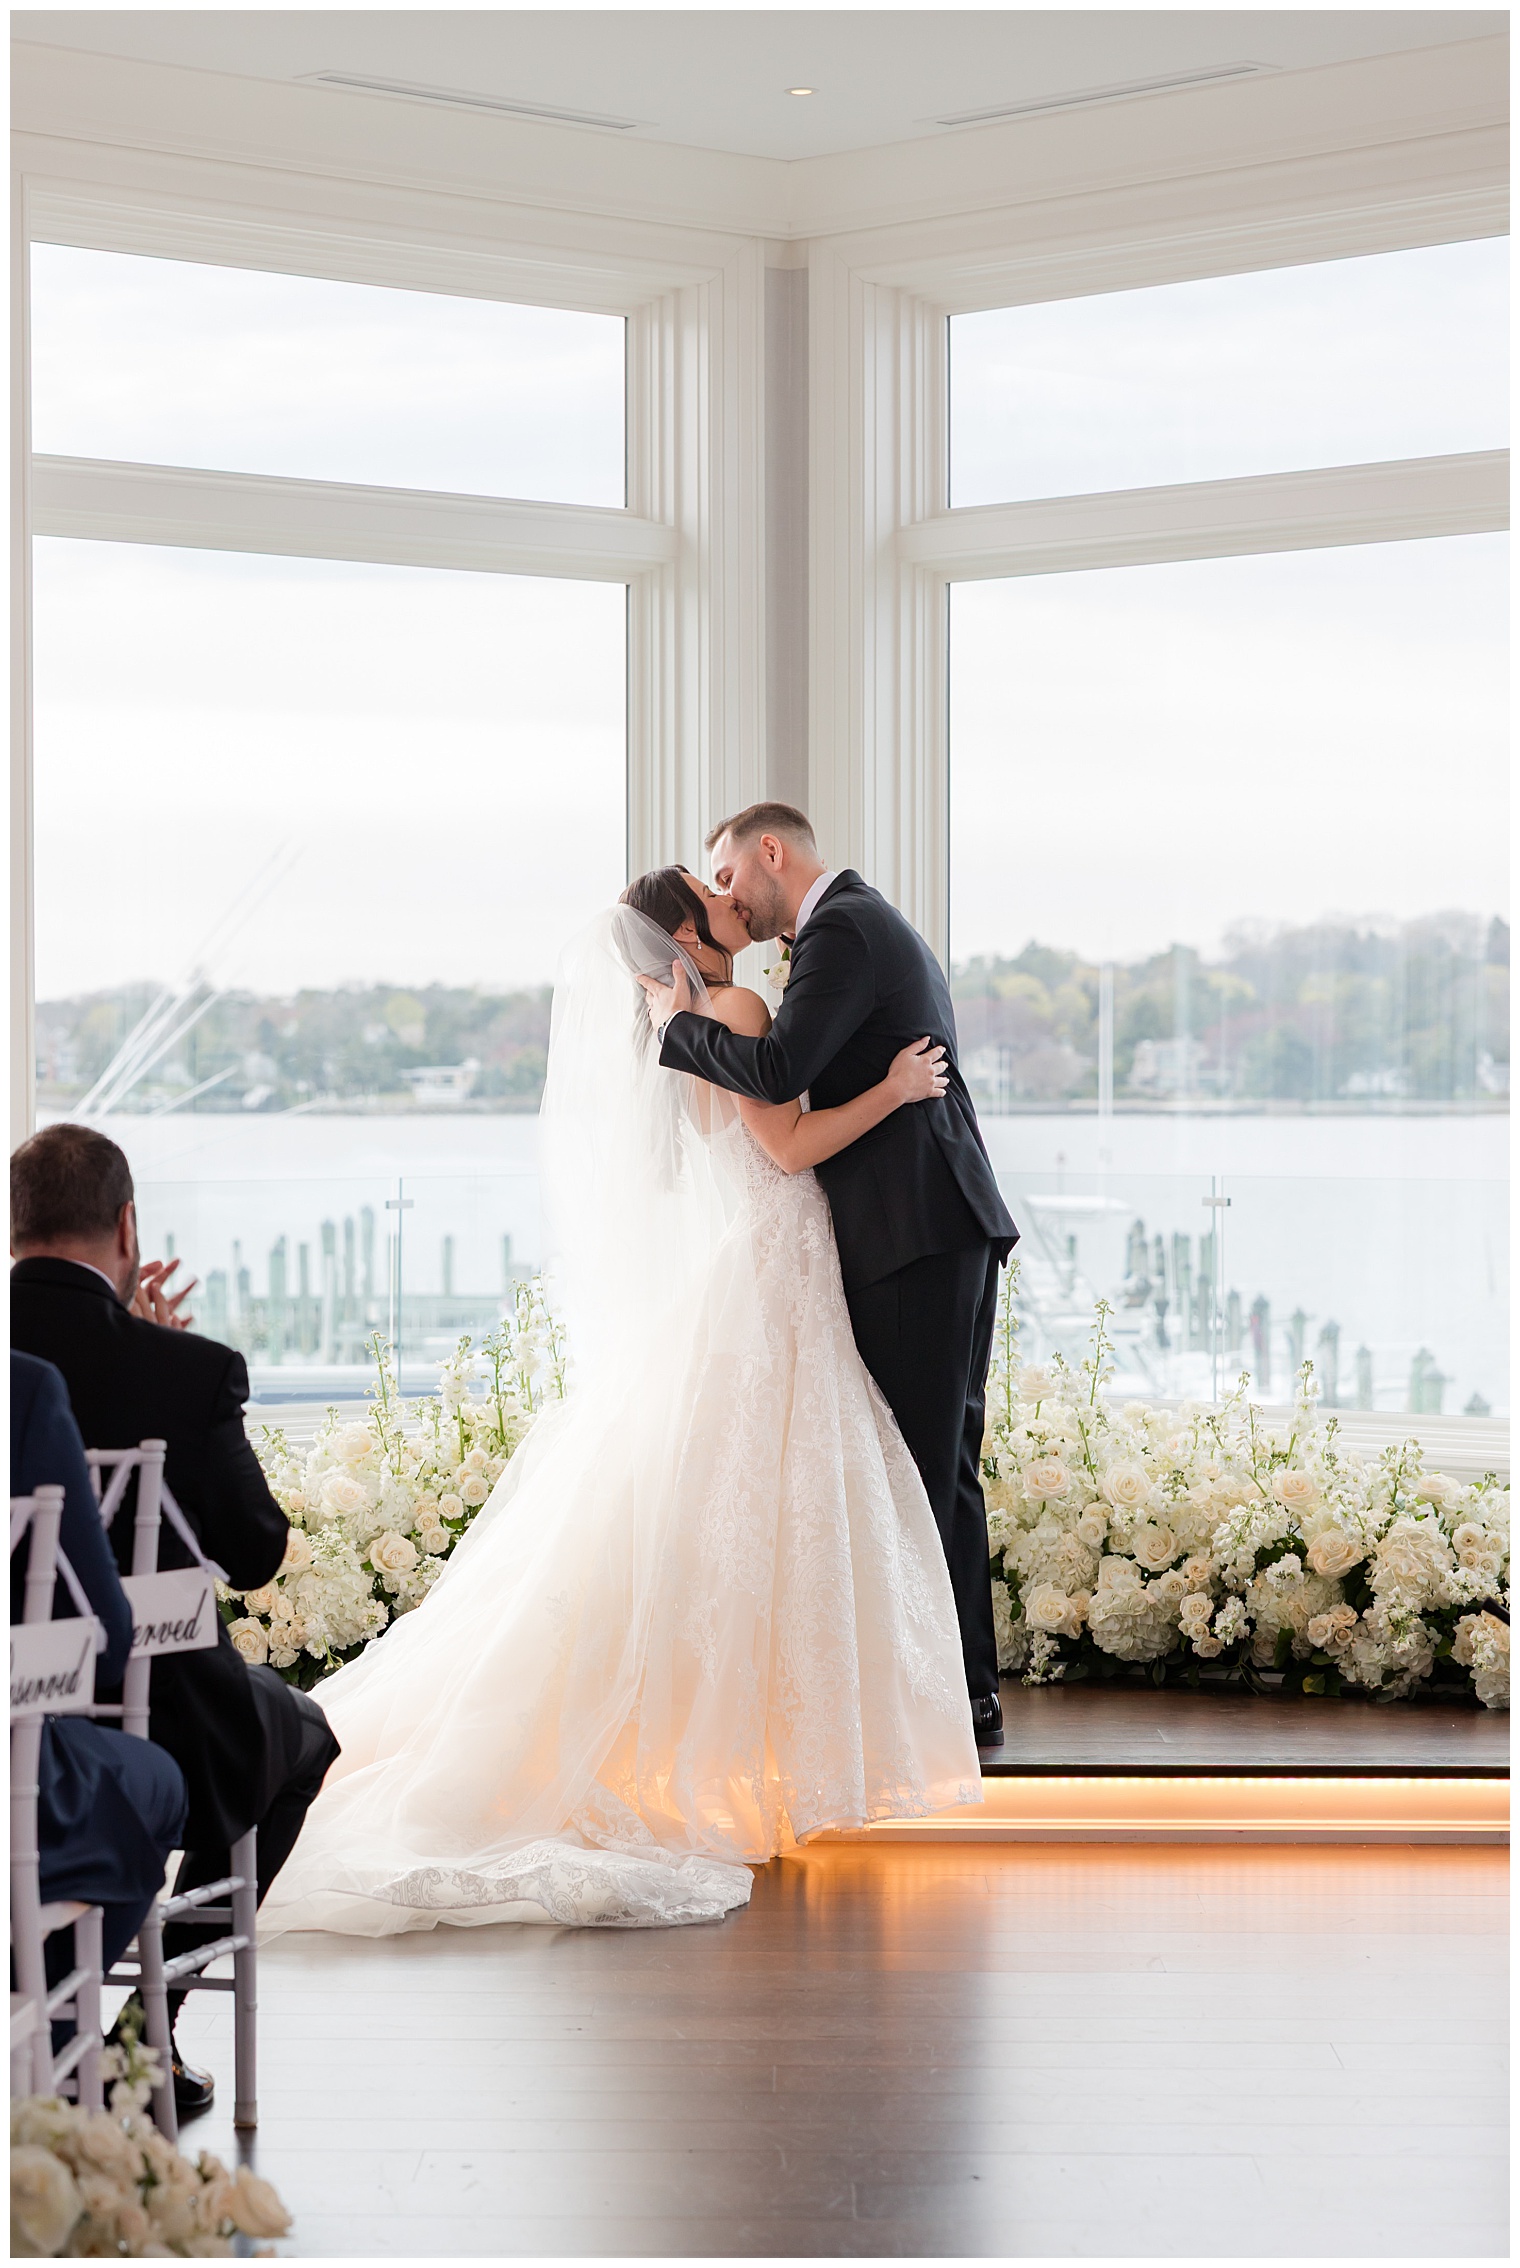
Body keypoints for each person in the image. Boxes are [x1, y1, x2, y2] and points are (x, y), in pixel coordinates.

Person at [258, 875, 981, 1938]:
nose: (733, 904)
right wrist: (894, 1092)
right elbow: (782, 1149)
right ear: (688, 934)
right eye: (712, 897)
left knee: (736, 1497)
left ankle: (721, 1743)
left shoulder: (671, 1032)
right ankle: (776, 1746)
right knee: (786, 1494)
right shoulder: (730, 1013)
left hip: (751, 1262)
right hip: (779, 1261)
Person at [640, 804, 1018, 1747]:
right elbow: (784, 1100)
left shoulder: (843, 927)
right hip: (921, 1228)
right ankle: (955, 1696)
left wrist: (673, 1029)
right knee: (924, 1469)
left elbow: (779, 1070)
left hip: (915, 1233)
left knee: (917, 1470)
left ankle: (949, 1703)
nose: (728, 891)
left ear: (771, 852)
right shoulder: (849, 927)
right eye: (711, 890)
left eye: (728, 872)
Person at [10, 1124, 340, 2113]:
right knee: (306, 1740)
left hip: (16, 1703)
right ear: (126, 1225)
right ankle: (143, 2035)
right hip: (166, 1716)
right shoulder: (183, 1373)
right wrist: (168, 1357)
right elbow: (256, 1553)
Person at [11, 1348, 189, 2036]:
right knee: (151, 1784)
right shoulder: (23, 1387)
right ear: (123, 1231)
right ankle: (39, 2070)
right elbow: (106, 1642)